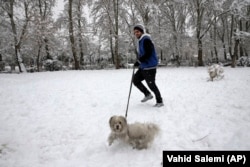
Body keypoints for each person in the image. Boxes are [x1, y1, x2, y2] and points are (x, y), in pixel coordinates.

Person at [133, 24, 163, 107]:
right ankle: (147, 94)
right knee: (135, 80)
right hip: (143, 66)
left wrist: (139, 61)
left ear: (142, 31)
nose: (136, 33)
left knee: (151, 84)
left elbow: (148, 53)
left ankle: (159, 101)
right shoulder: (140, 41)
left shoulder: (146, 40)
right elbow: (142, 54)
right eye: (135, 32)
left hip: (150, 67)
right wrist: (138, 61)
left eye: (138, 32)